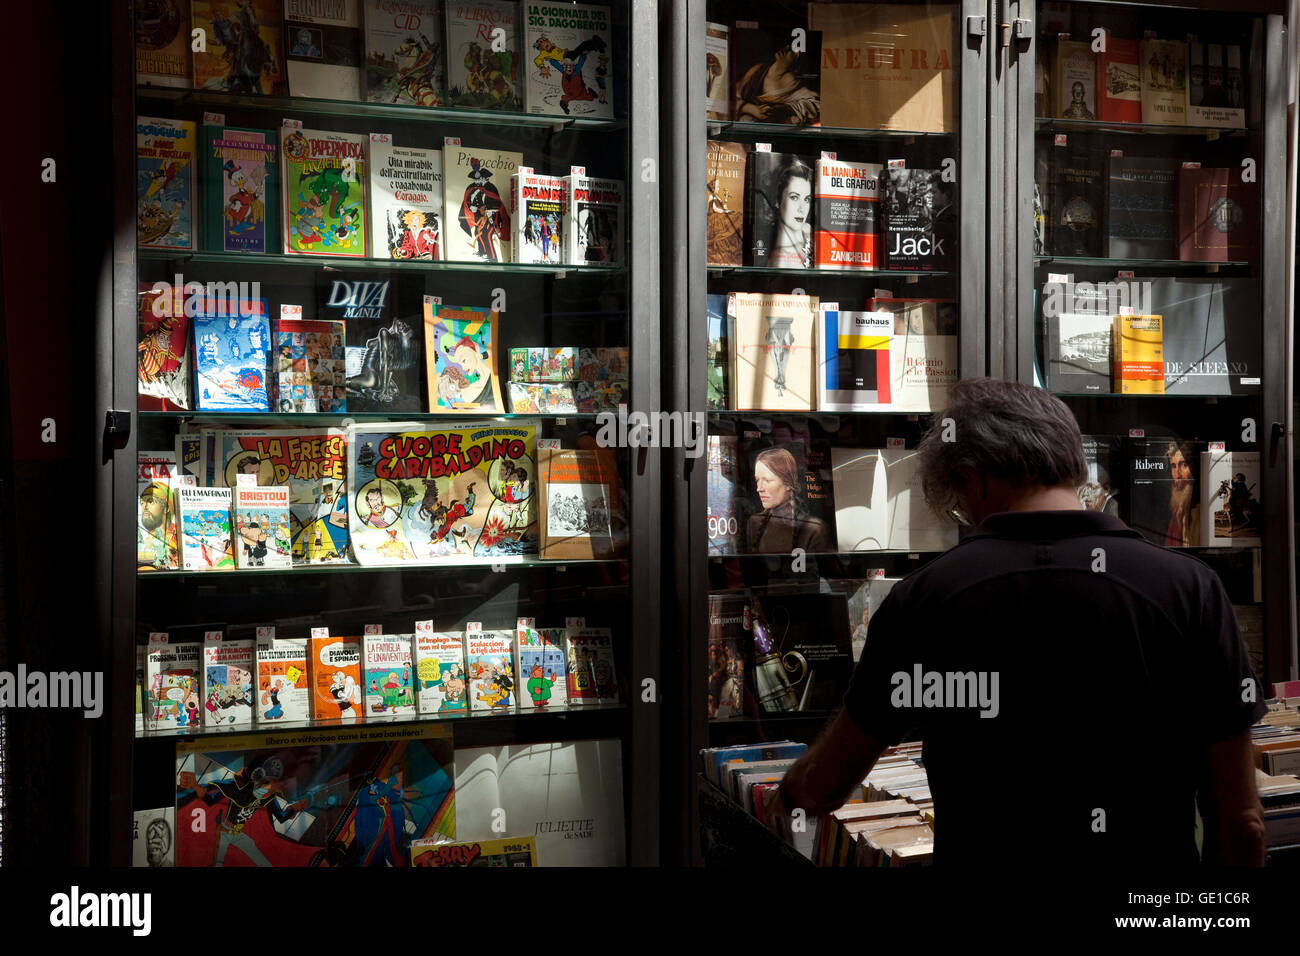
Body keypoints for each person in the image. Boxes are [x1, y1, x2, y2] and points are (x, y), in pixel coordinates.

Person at [778, 378, 1266, 866]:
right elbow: (1242, 823)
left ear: (974, 477)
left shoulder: (921, 600)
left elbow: (821, 788)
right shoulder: (1191, 588)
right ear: (1070, 461)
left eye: (959, 498)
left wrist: (783, 792)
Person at [745, 447, 830, 554]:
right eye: (757, 480)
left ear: (788, 483)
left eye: (767, 480)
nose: (759, 488)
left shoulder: (813, 529)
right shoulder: (754, 523)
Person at [734, 43, 819, 125]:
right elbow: (732, 97)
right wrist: (749, 109)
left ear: (797, 59)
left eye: (794, 51)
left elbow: (816, 103)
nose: (787, 47)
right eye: (789, 46)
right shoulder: (758, 69)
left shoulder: (791, 83)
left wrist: (786, 109)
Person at [765, 161, 812, 268]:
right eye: (794, 197)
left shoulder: (812, 235)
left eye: (807, 199)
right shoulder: (770, 251)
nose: (802, 209)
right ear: (777, 200)